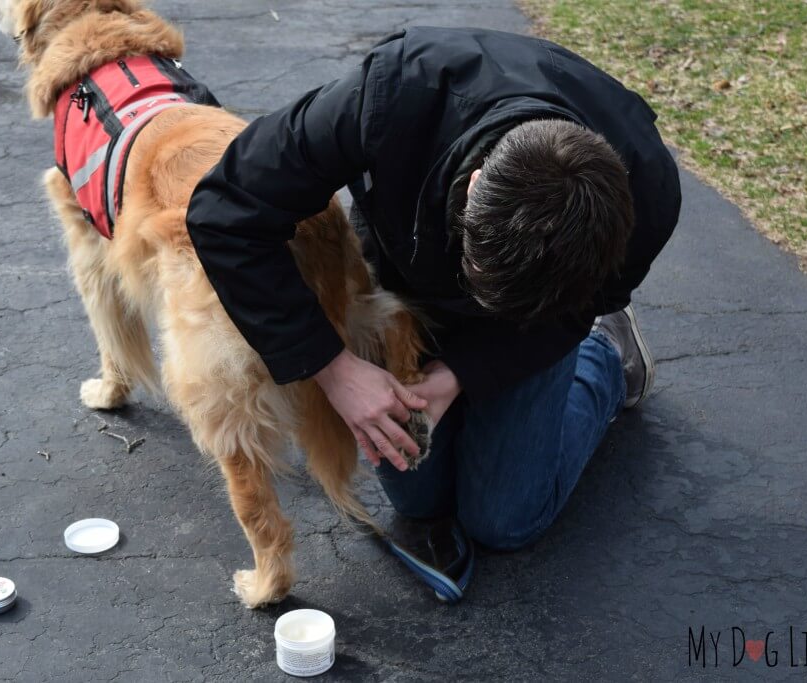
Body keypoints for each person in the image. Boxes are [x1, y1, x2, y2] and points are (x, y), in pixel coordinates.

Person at [186, 27, 681, 553]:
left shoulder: (649, 193)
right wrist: (335, 369)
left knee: (505, 521)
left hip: (537, 325)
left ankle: (605, 355)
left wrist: (460, 375)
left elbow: (569, 313)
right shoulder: (394, 93)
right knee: (420, 499)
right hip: (413, 284)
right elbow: (223, 210)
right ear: (472, 188)